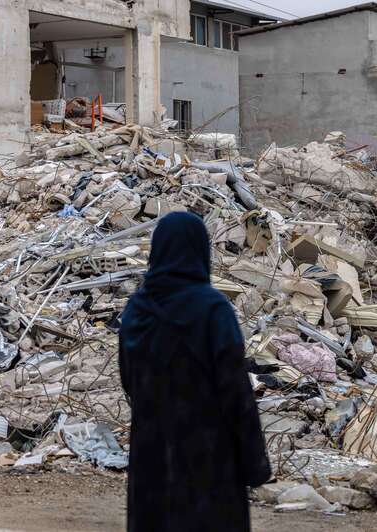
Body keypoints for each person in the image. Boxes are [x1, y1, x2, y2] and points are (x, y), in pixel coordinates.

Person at [119, 212, 272, 532]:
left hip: (152, 465)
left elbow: (129, 381)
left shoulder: (136, 311)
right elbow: (236, 395)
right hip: (209, 469)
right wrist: (254, 463)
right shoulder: (213, 311)